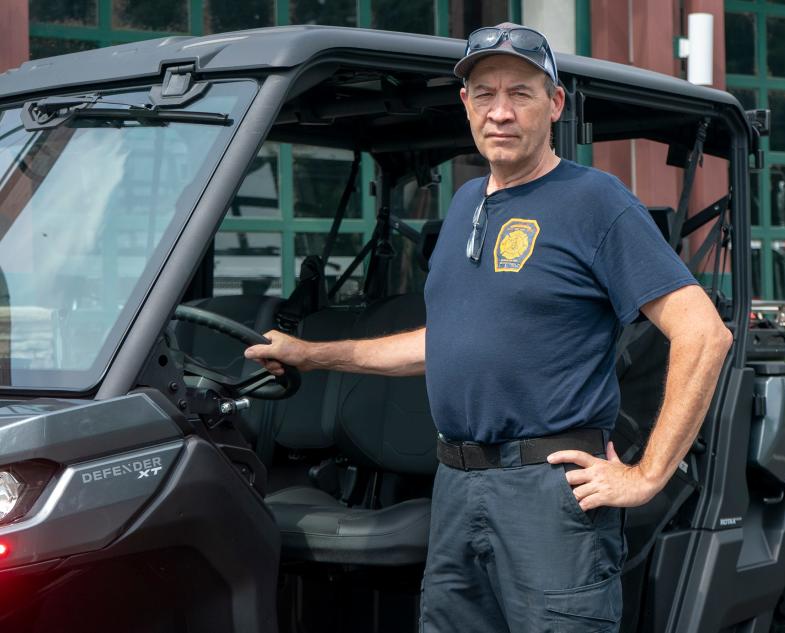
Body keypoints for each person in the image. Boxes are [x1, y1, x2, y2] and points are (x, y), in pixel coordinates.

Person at [244, 23, 732, 632]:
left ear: (553, 104)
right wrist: (312, 355)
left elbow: (704, 333)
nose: (500, 111)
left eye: (520, 94)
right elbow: (441, 344)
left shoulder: (594, 202)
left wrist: (646, 474)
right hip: (455, 484)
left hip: (548, 496)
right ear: (466, 105)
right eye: (484, 93)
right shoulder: (467, 206)